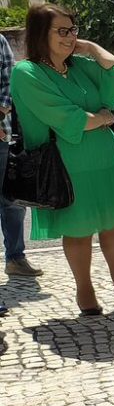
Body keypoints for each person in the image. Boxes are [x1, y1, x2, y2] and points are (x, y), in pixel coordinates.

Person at [10, 4, 114, 315]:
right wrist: (104, 118)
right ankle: (84, 288)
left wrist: (90, 47)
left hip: (106, 158)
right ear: (40, 34)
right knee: (78, 229)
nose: (70, 36)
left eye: (73, 29)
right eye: (62, 30)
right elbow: (69, 118)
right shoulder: (27, 72)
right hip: (65, 164)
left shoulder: (78, 66)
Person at [0, 32, 43, 278]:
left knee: (12, 199)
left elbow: (9, 81)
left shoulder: (0, 41)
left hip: (1, 134)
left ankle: (15, 258)